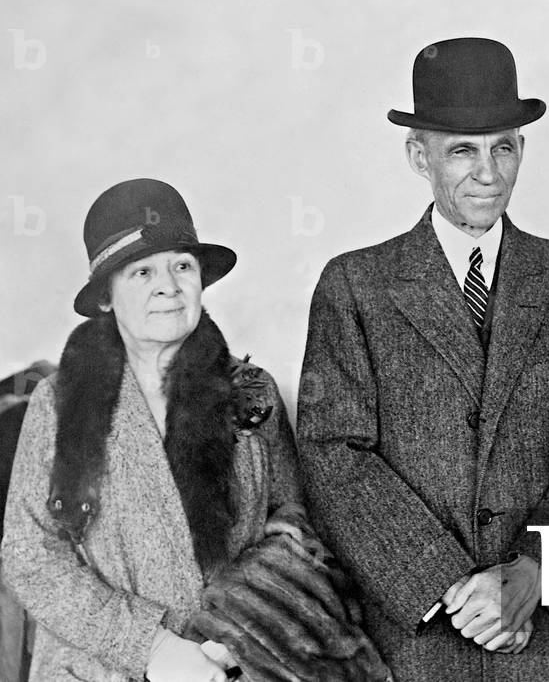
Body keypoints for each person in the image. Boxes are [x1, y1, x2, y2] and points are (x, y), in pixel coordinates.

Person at [297, 37, 549, 681]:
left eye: (504, 147)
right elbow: (334, 456)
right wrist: (457, 592)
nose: (488, 172)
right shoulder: (355, 286)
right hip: (421, 637)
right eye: (462, 150)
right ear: (417, 156)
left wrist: (533, 572)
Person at [1, 179, 389, 682]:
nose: (169, 285)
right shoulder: (57, 404)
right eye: (142, 271)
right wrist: (151, 646)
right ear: (105, 298)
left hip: (233, 668)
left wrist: (234, 636)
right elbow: (29, 554)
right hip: (92, 672)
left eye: (182, 265)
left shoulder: (251, 392)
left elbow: (294, 520)